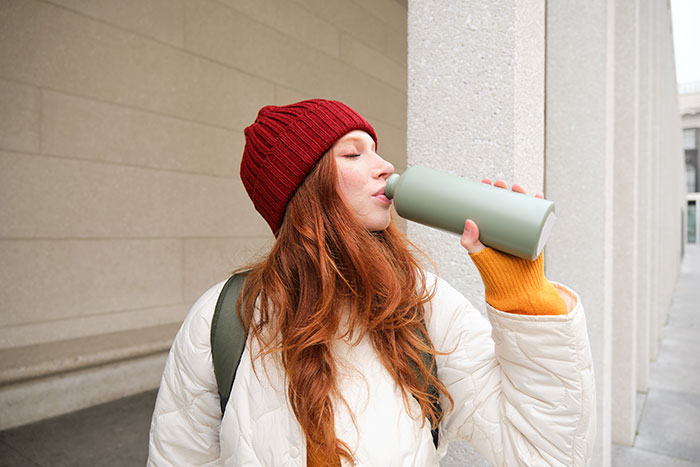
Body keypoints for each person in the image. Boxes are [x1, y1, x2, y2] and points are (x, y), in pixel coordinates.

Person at [148, 99, 595, 466]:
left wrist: (527, 301)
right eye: (353, 152)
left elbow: (546, 454)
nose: (385, 166)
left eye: (377, 150)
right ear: (303, 188)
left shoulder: (422, 303)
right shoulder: (225, 317)